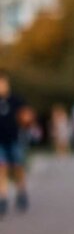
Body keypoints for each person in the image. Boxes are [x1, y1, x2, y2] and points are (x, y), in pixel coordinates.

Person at [0, 70, 29, 217]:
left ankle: (21, 192)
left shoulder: (16, 100)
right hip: (0, 141)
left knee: (18, 168)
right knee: (2, 168)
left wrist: (25, 120)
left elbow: (26, 117)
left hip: (15, 138)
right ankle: (3, 198)